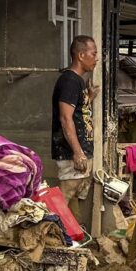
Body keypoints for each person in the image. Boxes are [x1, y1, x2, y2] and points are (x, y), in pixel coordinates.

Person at [51, 35, 100, 226]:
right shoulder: (69, 81)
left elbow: (78, 112)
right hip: (71, 152)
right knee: (63, 198)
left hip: (78, 151)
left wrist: (88, 98)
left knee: (72, 201)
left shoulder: (77, 81)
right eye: (93, 53)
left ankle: (74, 236)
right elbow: (65, 118)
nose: (96, 58)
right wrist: (77, 152)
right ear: (81, 55)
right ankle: (47, 235)